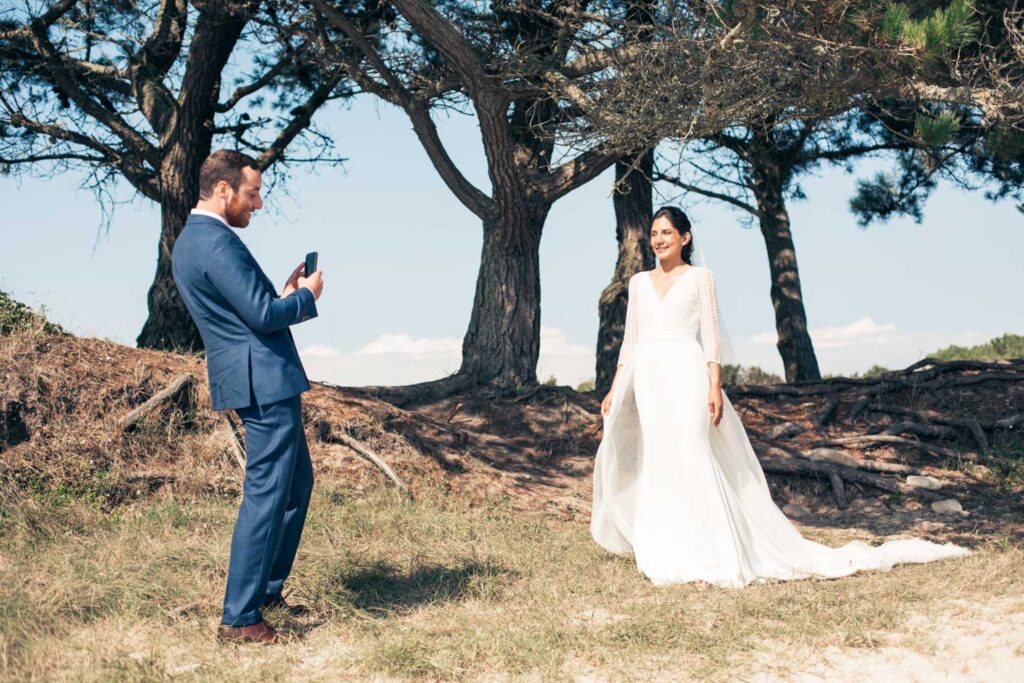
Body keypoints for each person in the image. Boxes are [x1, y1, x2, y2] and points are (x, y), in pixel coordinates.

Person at [590, 205, 969, 587]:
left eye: (667, 233)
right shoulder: (639, 282)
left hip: (687, 373)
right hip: (650, 378)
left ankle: (711, 549)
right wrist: (615, 386)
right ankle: (667, 544)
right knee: (661, 456)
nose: (659, 240)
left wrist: (714, 385)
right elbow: (631, 340)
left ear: (684, 238)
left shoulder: (700, 278)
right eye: (655, 233)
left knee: (692, 451)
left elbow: (712, 336)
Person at [172, 149, 324, 643]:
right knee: (266, 495)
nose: (257, 204)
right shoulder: (216, 243)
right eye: (252, 193)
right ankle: (240, 618)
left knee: (294, 484)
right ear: (224, 190)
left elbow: (251, 311)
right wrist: (306, 298)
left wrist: (281, 295)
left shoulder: (195, 241)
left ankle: (264, 593)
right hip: (263, 381)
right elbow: (261, 319)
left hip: (255, 376)